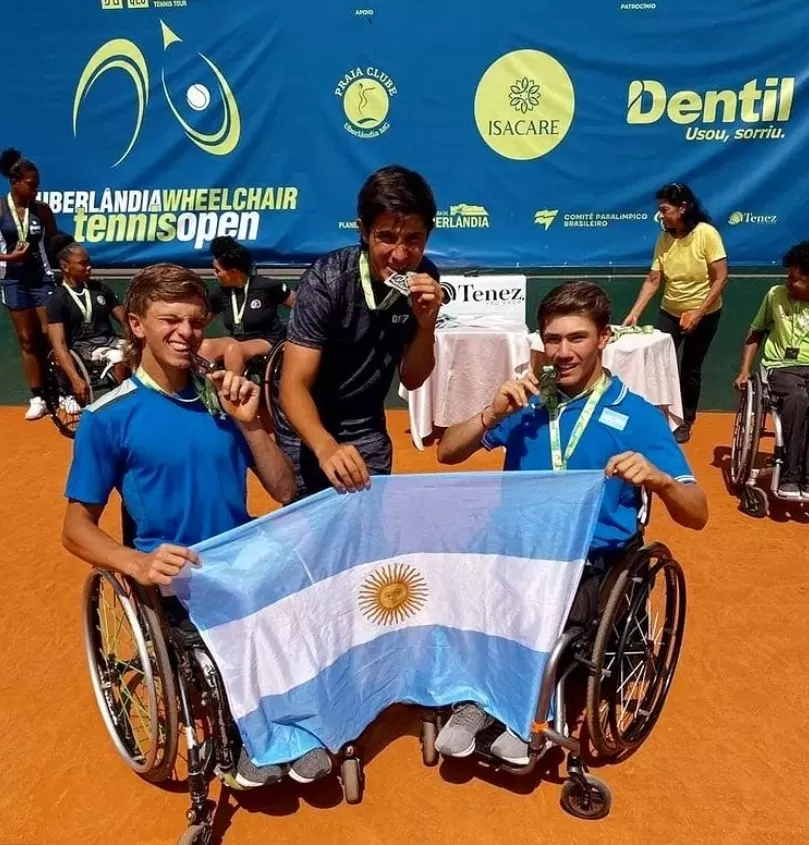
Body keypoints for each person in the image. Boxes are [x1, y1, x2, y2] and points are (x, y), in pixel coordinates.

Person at [60, 263, 332, 789]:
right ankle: (258, 733)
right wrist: (135, 562)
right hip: (178, 579)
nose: (186, 333)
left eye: (195, 321)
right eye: (170, 320)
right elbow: (75, 528)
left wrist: (252, 424)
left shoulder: (223, 398)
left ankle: (291, 724)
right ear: (138, 325)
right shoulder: (108, 418)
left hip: (243, 562)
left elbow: (281, 488)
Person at [432, 280, 708, 764]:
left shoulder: (638, 416)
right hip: (516, 547)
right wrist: (491, 411)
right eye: (552, 340)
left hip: (590, 559)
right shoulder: (528, 403)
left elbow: (697, 511)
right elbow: (448, 451)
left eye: (577, 338)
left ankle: (524, 711)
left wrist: (661, 481)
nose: (562, 352)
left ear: (603, 337)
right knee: (459, 584)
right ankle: (476, 698)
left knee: (545, 608)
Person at [278, 165, 443, 498]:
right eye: (387, 237)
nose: (400, 255)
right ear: (364, 231)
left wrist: (426, 326)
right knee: (309, 539)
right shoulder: (327, 280)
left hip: (366, 428)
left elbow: (412, 378)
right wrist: (325, 448)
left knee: (365, 539)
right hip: (307, 428)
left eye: (414, 239)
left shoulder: (425, 276)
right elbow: (292, 386)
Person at [623, 183, 729, 443]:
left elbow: (721, 277)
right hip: (669, 311)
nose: (661, 215)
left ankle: (686, 421)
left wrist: (698, 313)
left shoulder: (707, 234)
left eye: (665, 209)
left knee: (689, 369)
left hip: (705, 313)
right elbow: (653, 279)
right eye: (660, 210)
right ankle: (658, 418)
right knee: (659, 366)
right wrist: (635, 313)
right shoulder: (664, 239)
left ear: (683, 208)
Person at [734, 241, 809, 499]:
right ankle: (791, 474)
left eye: (796, 279)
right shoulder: (775, 295)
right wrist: (744, 370)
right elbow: (754, 333)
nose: (789, 282)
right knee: (798, 399)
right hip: (780, 369)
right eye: (788, 276)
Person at [0, 148, 58, 420]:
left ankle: (63, 391)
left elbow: (53, 243)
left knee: (50, 333)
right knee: (27, 340)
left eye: (37, 184)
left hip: (41, 278)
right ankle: (37, 396)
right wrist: (7, 257)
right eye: (31, 184)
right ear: (15, 182)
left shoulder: (42, 211)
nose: (36, 189)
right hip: (12, 280)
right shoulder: (0, 208)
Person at [46, 243, 129, 409]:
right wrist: (75, 378)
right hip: (81, 347)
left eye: (89, 261)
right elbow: (59, 344)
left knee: (137, 350)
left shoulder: (101, 289)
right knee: (119, 356)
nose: (89, 267)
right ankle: (123, 404)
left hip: (109, 340)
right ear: (65, 267)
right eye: (83, 263)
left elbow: (127, 321)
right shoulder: (58, 299)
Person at [199, 236, 295, 375]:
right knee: (205, 347)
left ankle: (234, 394)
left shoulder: (266, 286)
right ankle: (209, 393)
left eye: (217, 270)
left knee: (234, 350)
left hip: (268, 340)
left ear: (233, 271)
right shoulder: (219, 294)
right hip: (236, 339)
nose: (215, 274)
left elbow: (301, 307)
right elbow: (201, 322)